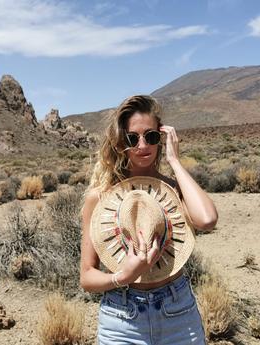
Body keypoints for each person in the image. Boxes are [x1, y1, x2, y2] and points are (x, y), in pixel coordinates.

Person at [80, 95, 218, 344]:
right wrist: (122, 277)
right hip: (122, 318)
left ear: (161, 138)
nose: (142, 145)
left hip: (178, 312)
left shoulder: (174, 190)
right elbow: (87, 276)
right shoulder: (99, 197)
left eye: (151, 136)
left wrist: (174, 161)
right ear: (120, 142)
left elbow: (207, 219)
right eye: (132, 138)